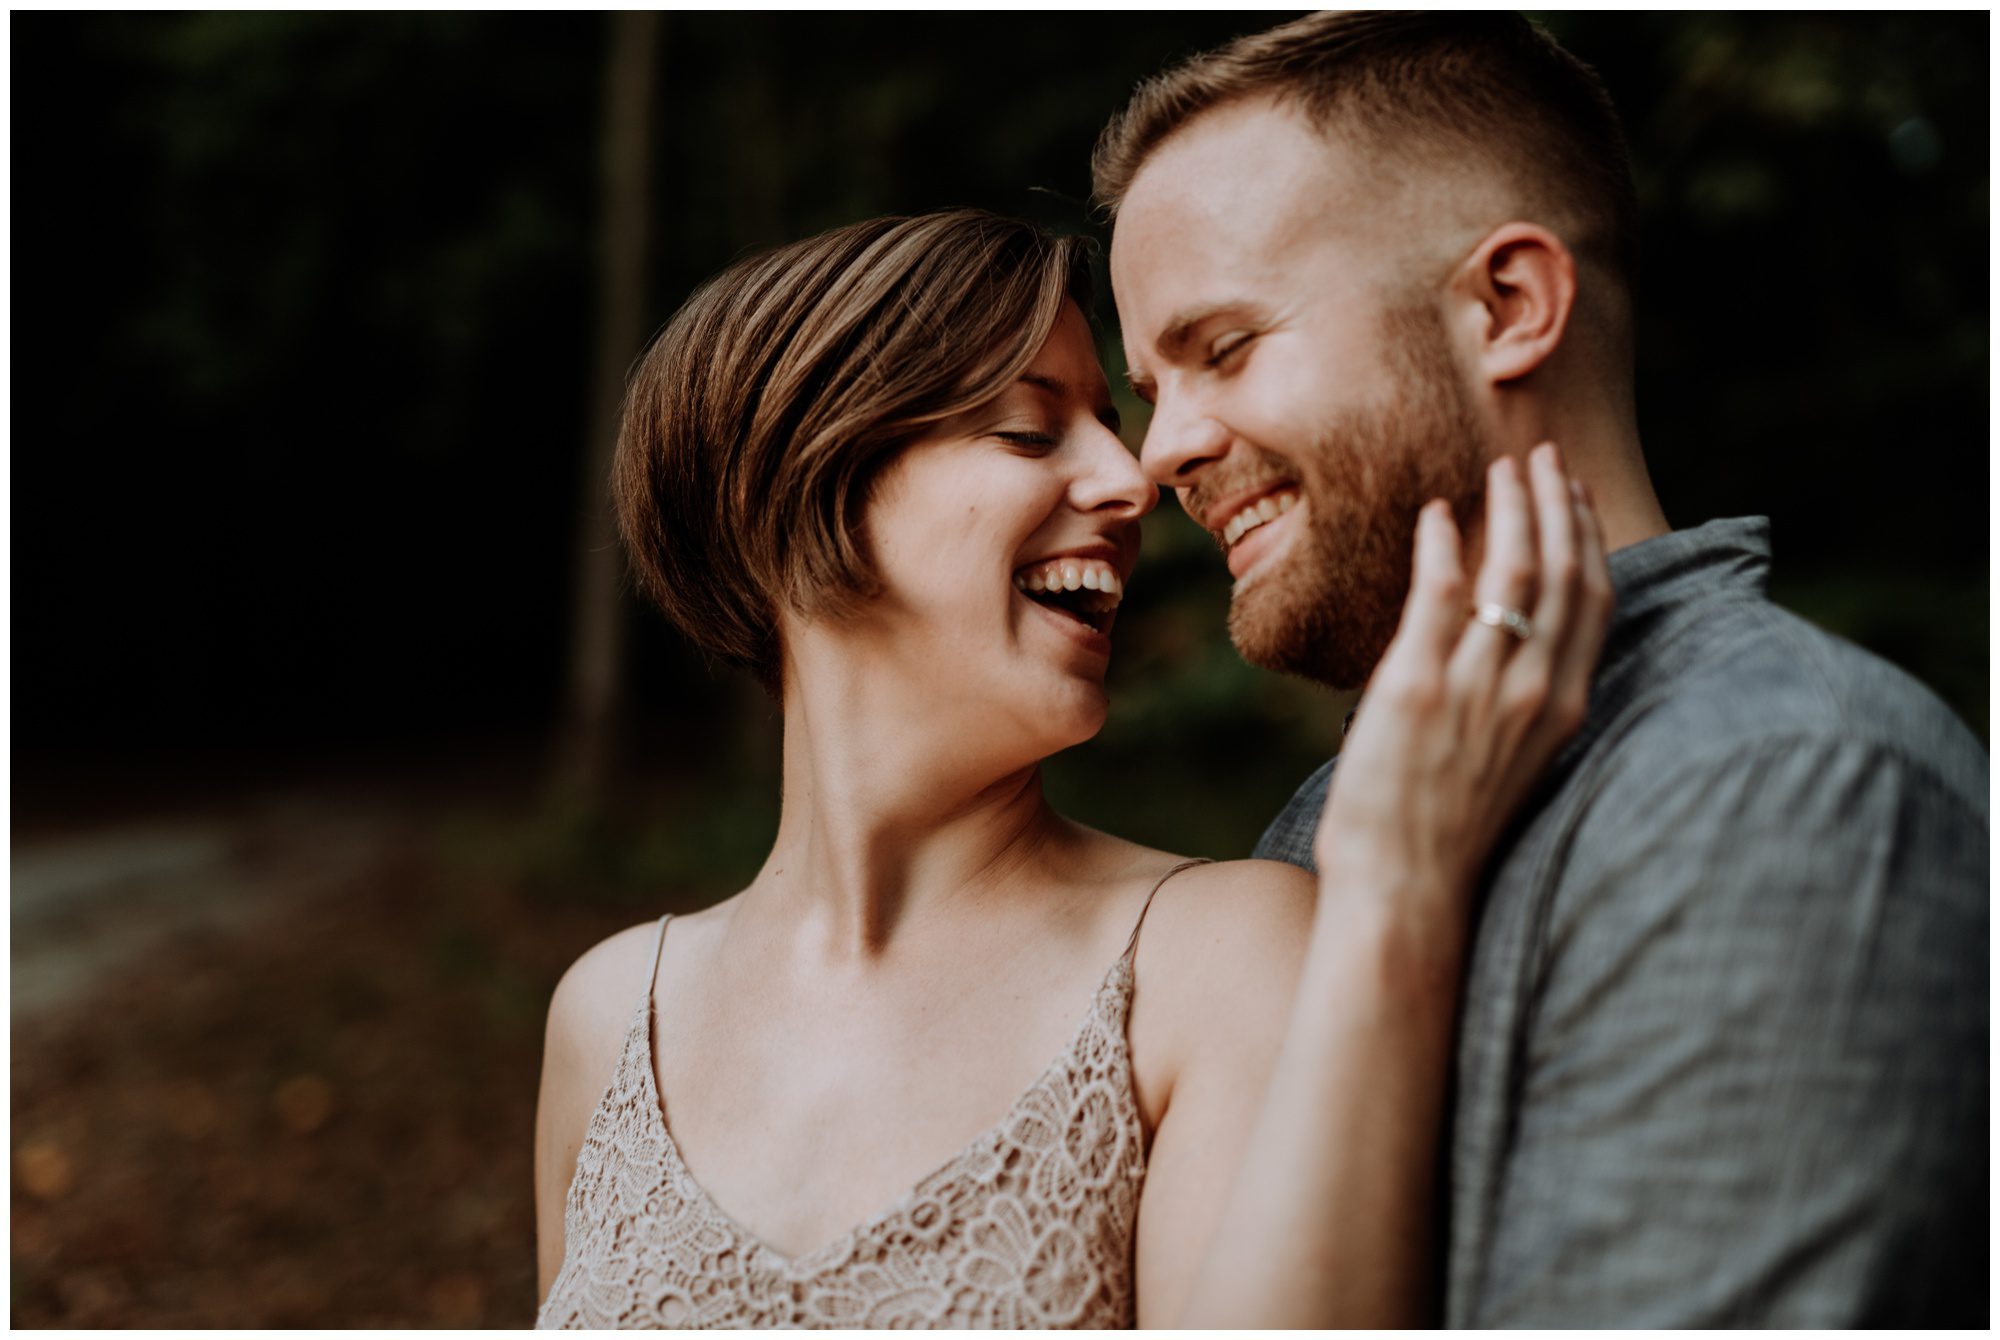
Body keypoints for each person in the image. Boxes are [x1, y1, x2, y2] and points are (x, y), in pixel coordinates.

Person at [531, 208, 1612, 1328]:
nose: (1134, 481)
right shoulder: (611, 1015)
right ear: (801, 489)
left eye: (1109, 421)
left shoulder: (1219, 958)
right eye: (1027, 432)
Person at [1096, 10, 1989, 1327]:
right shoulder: (1326, 827)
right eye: (1150, 386)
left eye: (1222, 349)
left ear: (1508, 306)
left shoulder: (1778, 788)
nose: (1160, 453)